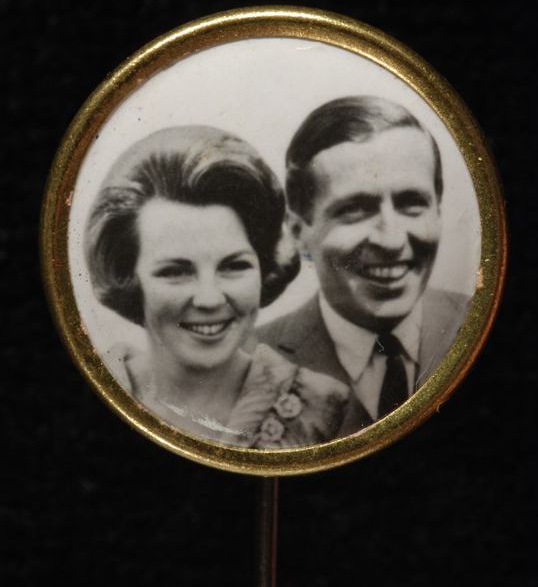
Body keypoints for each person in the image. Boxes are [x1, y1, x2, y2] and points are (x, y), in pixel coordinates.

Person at [84, 126, 349, 449]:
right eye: (175, 272)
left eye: (234, 266)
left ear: (265, 268)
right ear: (128, 278)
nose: (209, 298)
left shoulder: (319, 406)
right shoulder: (94, 383)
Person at [258, 96, 470, 425]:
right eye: (355, 209)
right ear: (299, 232)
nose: (391, 240)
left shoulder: (478, 323)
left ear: (438, 213)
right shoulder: (248, 363)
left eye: (412, 203)